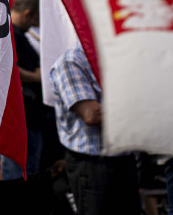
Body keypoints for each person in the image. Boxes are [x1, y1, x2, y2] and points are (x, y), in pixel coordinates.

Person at [50, 43, 138, 214]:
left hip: (124, 157)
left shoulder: (119, 57)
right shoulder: (72, 61)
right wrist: (137, 106)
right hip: (93, 165)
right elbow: (92, 115)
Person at [2, 0, 43, 181]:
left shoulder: (19, 34)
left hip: (31, 116)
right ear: (27, 14)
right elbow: (8, 67)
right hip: (19, 115)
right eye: (35, 20)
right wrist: (35, 76)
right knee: (18, 173)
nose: (34, 26)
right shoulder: (8, 33)